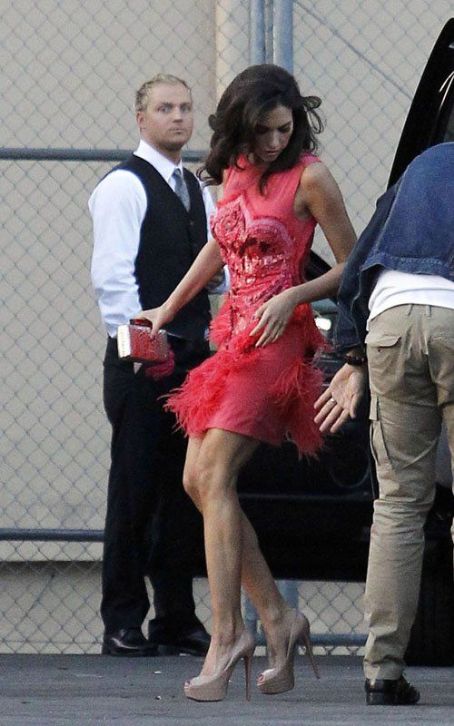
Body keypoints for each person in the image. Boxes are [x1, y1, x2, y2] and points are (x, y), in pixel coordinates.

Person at [137, 64, 356, 700]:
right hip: (232, 335)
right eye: (264, 131)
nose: (275, 142)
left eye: (285, 129)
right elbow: (219, 245)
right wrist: (167, 308)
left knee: (212, 477)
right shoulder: (235, 168)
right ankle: (280, 619)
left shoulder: (310, 177)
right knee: (196, 480)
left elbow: (352, 265)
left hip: (277, 341)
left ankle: (230, 633)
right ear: (241, 127)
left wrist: (294, 296)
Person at [89, 74, 225, 657]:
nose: (178, 117)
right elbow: (113, 278)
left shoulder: (196, 189)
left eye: (186, 108)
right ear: (141, 119)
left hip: (195, 359)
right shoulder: (124, 186)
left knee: (183, 489)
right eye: (165, 108)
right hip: (143, 364)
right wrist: (144, 351)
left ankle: (176, 618)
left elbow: (216, 269)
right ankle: (122, 620)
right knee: (135, 488)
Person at [314, 142, 454, 705]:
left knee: (398, 504)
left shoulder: (425, 164)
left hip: (391, 318)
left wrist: (354, 356)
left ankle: (382, 670)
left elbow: (362, 257)